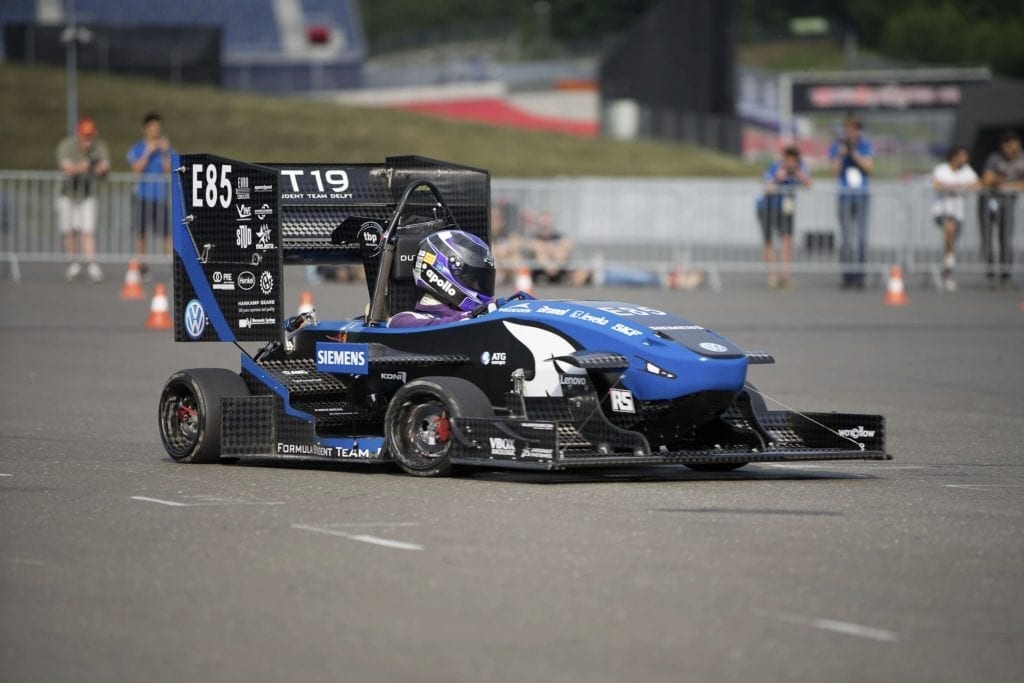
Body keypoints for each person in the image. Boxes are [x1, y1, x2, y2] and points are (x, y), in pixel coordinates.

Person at [388, 229, 497, 327]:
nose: (479, 285)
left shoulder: (482, 313)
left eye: (483, 281)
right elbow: (396, 324)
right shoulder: (404, 320)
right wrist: (471, 316)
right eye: (473, 280)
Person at [56, 118, 110, 282]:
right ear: (78, 135)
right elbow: (66, 168)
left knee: (88, 230)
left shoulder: (100, 146)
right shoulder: (66, 146)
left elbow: (105, 167)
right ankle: (73, 264)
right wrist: (85, 166)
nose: (88, 140)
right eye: (85, 136)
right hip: (67, 194)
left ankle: (91, 264)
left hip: (87, 194)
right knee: (70, 230)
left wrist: (93, 167)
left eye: (90, 136)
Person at [828, 113, 874, 289]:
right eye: (847, 129)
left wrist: (854, 154)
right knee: (846, 238)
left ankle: (860, 275)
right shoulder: (837, 146)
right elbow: (834, 171)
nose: (850, 132)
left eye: (853, 129)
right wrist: (841, 155)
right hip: (844, 196)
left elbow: (869, 168)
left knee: (861, 238)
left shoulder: (864, 145)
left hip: (862, 196)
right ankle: (847, 275)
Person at [127, 112, 175, 278]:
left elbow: (169, 170)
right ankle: (142, 266)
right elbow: (136, 169)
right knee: (141, 233)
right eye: (153, 126)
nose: (156, 129)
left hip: (160, 196)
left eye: (158, 126)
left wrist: (164, 152)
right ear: (146, 128)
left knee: (166, 233)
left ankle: (174, 265)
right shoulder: (138, 148)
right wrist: (149, 151)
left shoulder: (166, 148)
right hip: (142, 196)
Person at [756, 146, 812, 288]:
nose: (790, 164)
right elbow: (767, 187)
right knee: (768, 241)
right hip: (768, 207)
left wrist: (798, 174)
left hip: (787, 209)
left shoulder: (800, 168)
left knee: (788, 240)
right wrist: (778, 177)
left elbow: (809, 184)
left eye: (794, 161)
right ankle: (773, 275)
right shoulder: (774, 167)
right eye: (788, 161)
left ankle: (785, 275)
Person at [979, 130, 1024, 289]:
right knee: (987, 237)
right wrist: (999, 181)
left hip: (1009, 203)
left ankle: (1006, 274)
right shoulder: (995, 158)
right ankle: (991, 274)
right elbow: (987, 179)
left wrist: (1006, 184)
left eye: (1013, 148)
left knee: (1006, 238)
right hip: (990, 201)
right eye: (1007, 148)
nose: (1009, 152)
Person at [931, 146, 979, 292]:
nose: (965, 159)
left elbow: (977, 184)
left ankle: (946, 272)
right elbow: (936, 184)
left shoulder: (967, 171)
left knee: (950, 241)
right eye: (963, 156)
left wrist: (957, 186)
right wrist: (955, 187)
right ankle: (950, 258)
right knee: (949, 227)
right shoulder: (942, 169)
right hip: (942, 210)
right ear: (954, 157)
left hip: (959, 213)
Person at [527, 210, 590, 286]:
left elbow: (568, 243)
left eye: (547, 222)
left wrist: (548, 248)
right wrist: (552, 248)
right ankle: (551, 270)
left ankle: (555, 271)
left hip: (559, 264)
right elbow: (533, 245)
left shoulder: (558, 235)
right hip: (539, 269)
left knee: (561, 253)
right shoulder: (534, 236)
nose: (545, 225)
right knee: (541, 254)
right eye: (543, 223)